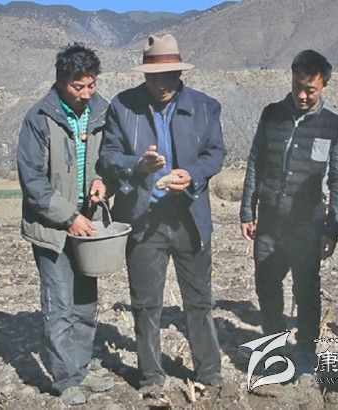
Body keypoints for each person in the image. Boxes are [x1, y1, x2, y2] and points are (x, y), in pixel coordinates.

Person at [99, 34, 226, 392]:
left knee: (199, 301)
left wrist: (193, 174)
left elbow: (216, 153)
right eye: (155, 76)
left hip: (189, 218)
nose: (163, 83)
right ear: (145, 75)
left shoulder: (205, 107)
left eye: (170, 75)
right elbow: (108, 156)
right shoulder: (122, 107)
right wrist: (138, 166)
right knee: (145, 304)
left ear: (180, 73)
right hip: (143, 219)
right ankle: (152, 377)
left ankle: (209, 372)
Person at [239, 49, 338, 375]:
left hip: (307, 224)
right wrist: (247, 210)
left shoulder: (336, 126)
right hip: (270, 220)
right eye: (297, 87)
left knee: (306, 290)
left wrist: (333, 228)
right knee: (266, 285)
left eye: (310, 90)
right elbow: (256, 162)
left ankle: (305, 351)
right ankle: (273, 346)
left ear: (324, 86)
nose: (302, 96)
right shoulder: (272, 115)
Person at [16, 43, 113, 405]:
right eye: (78, 86)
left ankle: (82, 368)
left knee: (85, 302)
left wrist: (104, 181)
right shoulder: (39, 118)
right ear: (61, 82)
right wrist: (69, 217)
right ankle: (66, 378)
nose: (87, 93)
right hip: (53, 227)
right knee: (59, 304)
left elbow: (111, 158)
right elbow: (33, 181)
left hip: (88, 225)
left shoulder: (102, 112)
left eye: (92, 84)